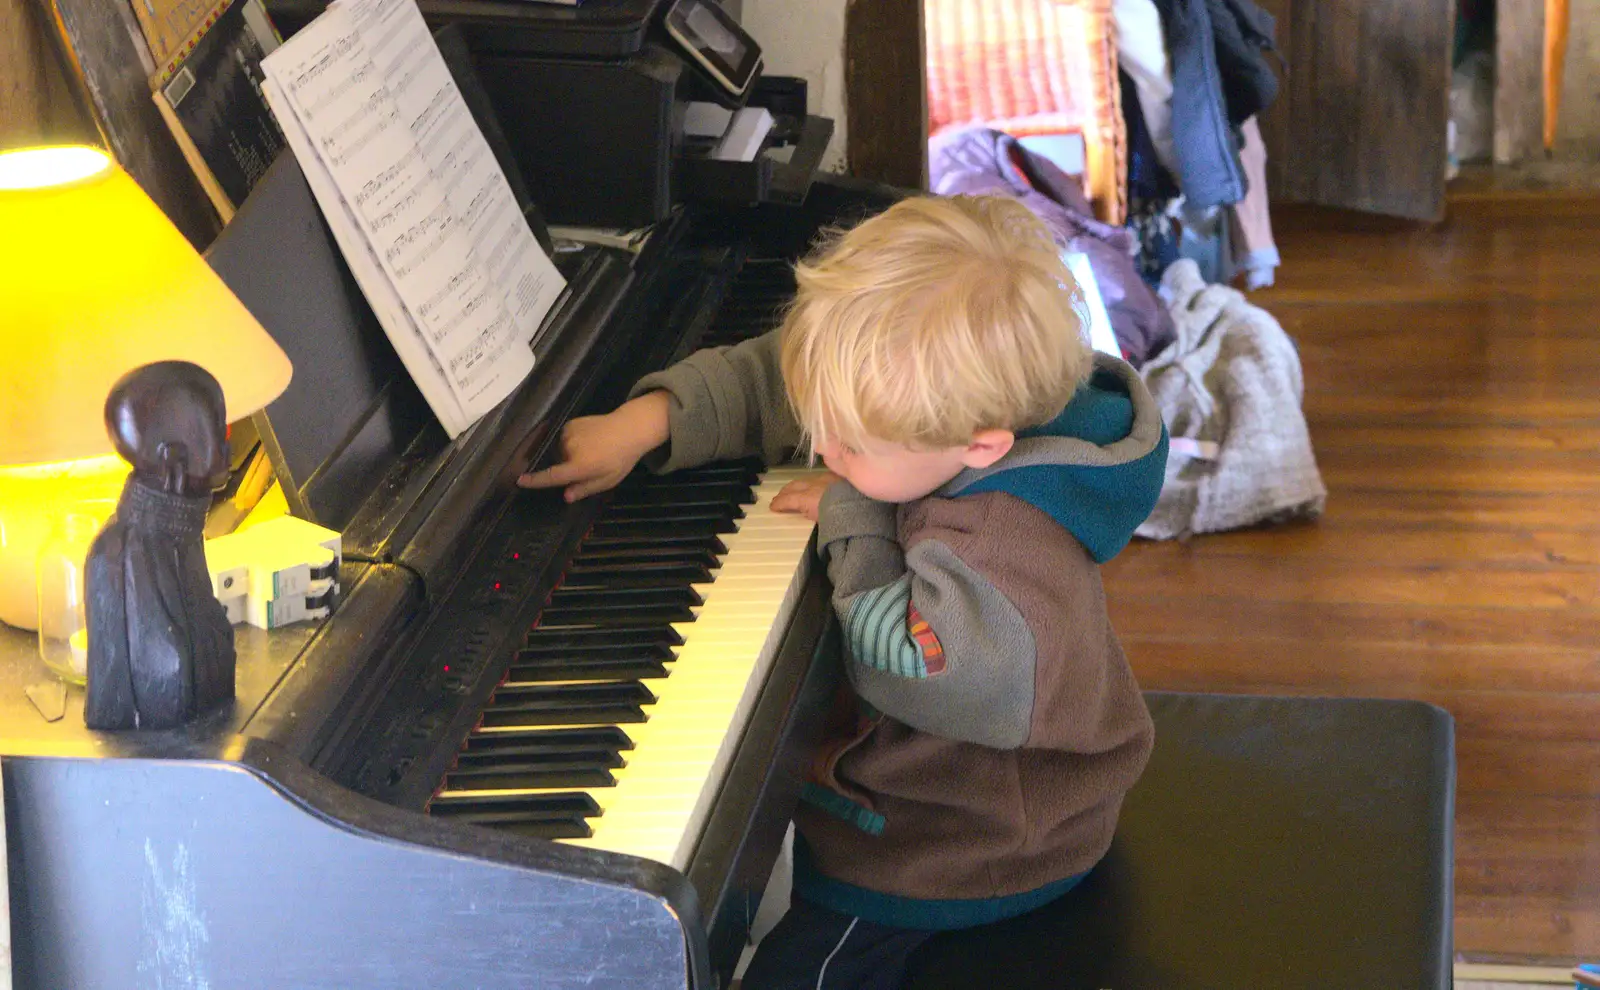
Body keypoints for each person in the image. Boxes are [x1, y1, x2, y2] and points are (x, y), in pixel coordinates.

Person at [520, 194, 1167, 989]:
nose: (820, 444)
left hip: (957, 851)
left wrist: (849, 508)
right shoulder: (942, 407)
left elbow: (906, 658)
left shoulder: (1005, 548)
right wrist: (655, 419)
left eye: (849, 444)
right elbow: (790, 371)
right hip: (913, 806)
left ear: (981, 445)